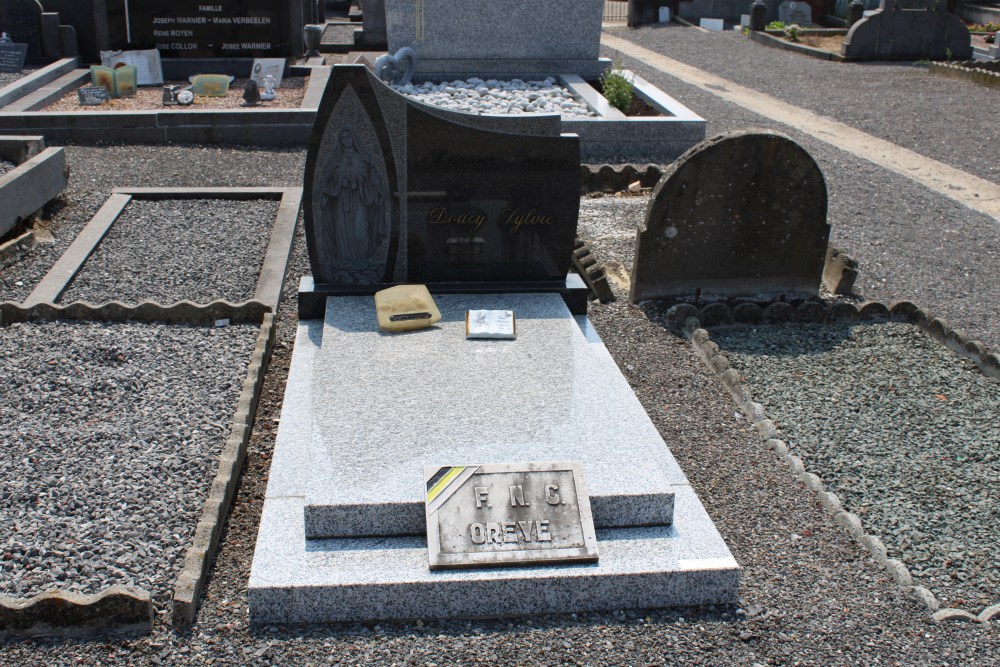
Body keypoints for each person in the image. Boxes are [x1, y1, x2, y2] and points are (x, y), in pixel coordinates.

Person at [317, 126, 389, 283]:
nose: (347, 141)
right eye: (343, 138)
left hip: (360, 200)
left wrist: (376, 189)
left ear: (354, 138)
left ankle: (362, 261)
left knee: (360, 230)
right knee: (344, 232)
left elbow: (373, 175)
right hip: (342, 202)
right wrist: (338, 184)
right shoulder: (336, 159)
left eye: (349, 137)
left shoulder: (363, 158)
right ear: (340, 141)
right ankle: (346, 262)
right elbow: (325, 178)